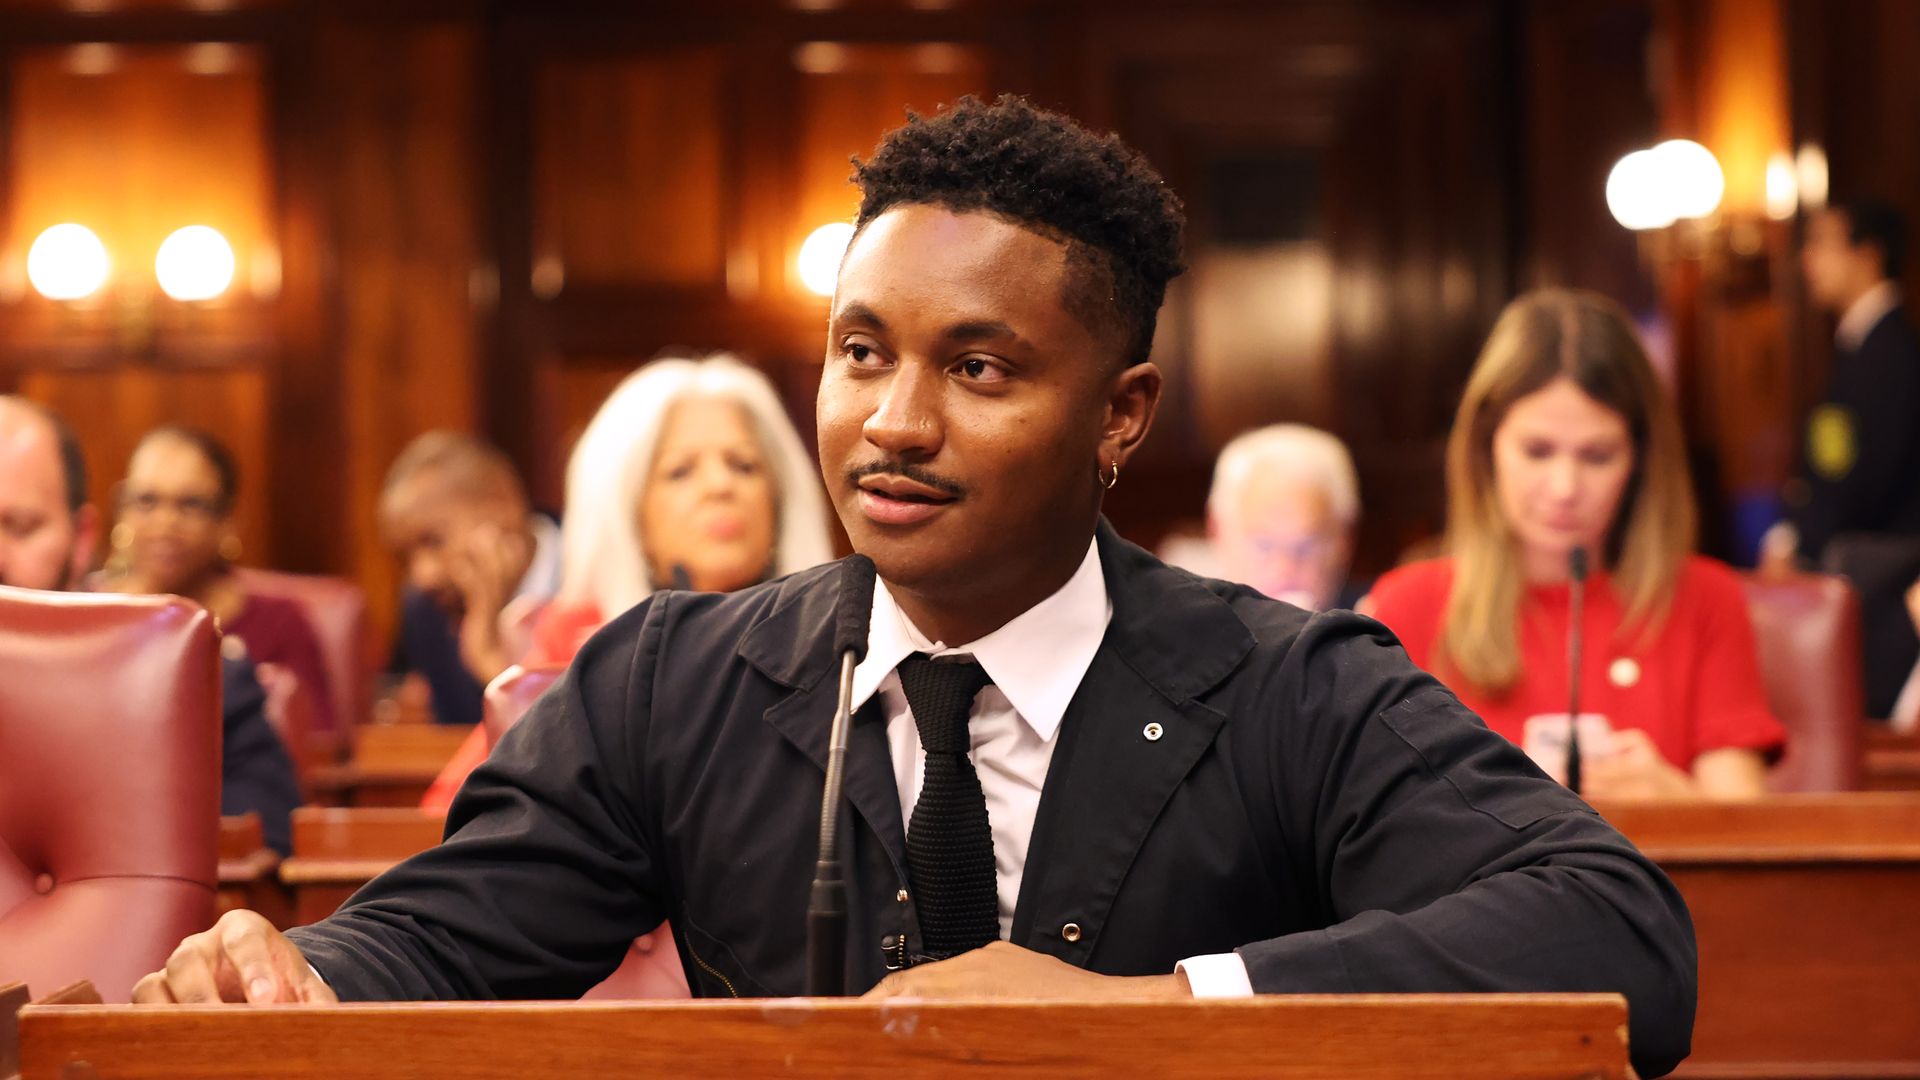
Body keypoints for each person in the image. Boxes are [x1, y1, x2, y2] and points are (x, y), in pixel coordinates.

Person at [134, 98, 1695, 1078]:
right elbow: (450, 944)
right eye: (861, 351)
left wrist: (1159, 1014)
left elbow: (1623, 938)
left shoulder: (1288, 684)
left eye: (980, 367)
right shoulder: (673, 677)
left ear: (1122, 418)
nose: (892, 421)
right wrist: (301, 966)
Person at [1367, 289, 1784, 801]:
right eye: (1537, 451)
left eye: (1598, 455)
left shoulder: (1706, 598)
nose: (1565, 487)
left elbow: (1751, 838)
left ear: (1640, 460)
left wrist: (1674, 799)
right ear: (1485, 447)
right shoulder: (1407, 605)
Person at [420, 353, 835, 811]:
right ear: (630, 517)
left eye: (743, 465)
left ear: (779, 504)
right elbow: (450, 810)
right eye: (680, 471)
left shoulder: (839, 639)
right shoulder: (581, 638)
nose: (720, 485)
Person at [0, 397, 301, 854]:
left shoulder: (196, 677)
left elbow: (259, 846)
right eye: (147, 501)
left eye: (20, 527)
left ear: (83, 539)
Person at [1764, 199, 1920, 718]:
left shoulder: (1890, 355)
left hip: (1884, 589)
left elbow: (1861, 477)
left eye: (1822, 244)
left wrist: (1796, 541)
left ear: (1868, 254)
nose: (1808, 260)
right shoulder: (1859, 348)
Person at [100, 426, 339, 739]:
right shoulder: (92, 614)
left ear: (227, 521)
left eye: (190, 504)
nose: (165, 522)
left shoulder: (280, 624)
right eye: (147, 501)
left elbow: (317, 750)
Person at [380, 432, 562, 726]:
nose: (423, 576)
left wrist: (495, 663)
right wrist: (481, 635)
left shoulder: (595, 570)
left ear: (503, 505)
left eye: (433, 541)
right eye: (404, 557)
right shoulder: (425, 612)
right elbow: (461, 747)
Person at [1199, 423, 1365, 610]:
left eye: (1305, 548)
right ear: (1216, 530)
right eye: (1264, 546)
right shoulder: (1178, 631)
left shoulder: (1380, 628)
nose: (1283, 571)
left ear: (1346, 539)